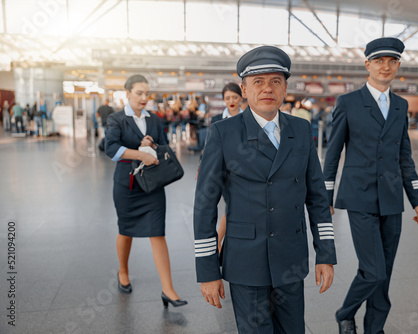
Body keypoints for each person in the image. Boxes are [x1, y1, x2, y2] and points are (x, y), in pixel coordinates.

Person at [194, 46, 336, 334]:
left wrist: (326, 254)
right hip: (247, 261)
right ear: (244, 90)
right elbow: (205, 205)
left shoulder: (301, 130)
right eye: (258, 82)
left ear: (285, 88)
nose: (267, 88)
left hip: (291, 259)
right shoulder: (224, 133)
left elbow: (318, 198)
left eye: (275, 81)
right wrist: (208, 270)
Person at [323, 37, 418, 334]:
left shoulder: (400, 105)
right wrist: (325, 196)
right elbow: (332, 155)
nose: (386, 66)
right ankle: (345, 313)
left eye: (392, 61)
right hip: (359, 198)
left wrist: (417, 198)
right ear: (367, 64)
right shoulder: (348, 103)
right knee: (374, 270)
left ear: (398, 65)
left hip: (392, 199)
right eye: (379, 61)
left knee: (385, 273)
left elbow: (404, 156)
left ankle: (375, 328)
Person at [105, 74, 187, 309]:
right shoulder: (117, 119)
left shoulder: (154, 119)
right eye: (139, 93)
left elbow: (163, 147)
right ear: (128, 93)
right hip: (127, 184)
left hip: (151, 185)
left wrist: (152, 146)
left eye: (146, 94)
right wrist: (140, 153)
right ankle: (123, 271)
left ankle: (168, 289)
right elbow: (111, 149)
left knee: (157, 232)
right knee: (126, 229)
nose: (143, 98)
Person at [210, 82, 244, 251]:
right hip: (222, 168)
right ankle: (219, 240)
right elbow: (210, 147)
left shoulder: (248, 118)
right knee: (230, 203)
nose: (231, 101)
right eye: (227, 98)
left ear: (241, 97)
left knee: (232, 203)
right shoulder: (216, 120)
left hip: (242, 168)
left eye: (234, 97)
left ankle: (220, 240)